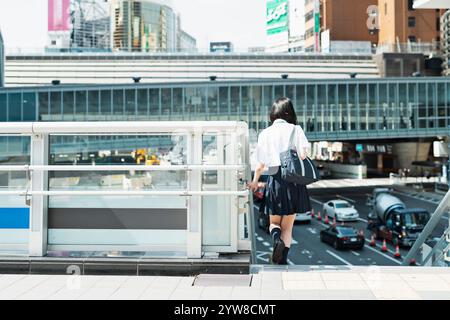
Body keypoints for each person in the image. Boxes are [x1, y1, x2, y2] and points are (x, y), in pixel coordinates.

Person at [247, 97, 312, 265]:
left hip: (274, 179)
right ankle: (282, 261)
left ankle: (276, 240)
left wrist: (255, 182)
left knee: (274, 223)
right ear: (289, 112)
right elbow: (304, 155)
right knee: (288, 227)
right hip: (294, 181)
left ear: (273, 114)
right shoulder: (296, 130)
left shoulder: (265, 133)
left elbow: (261, 164)